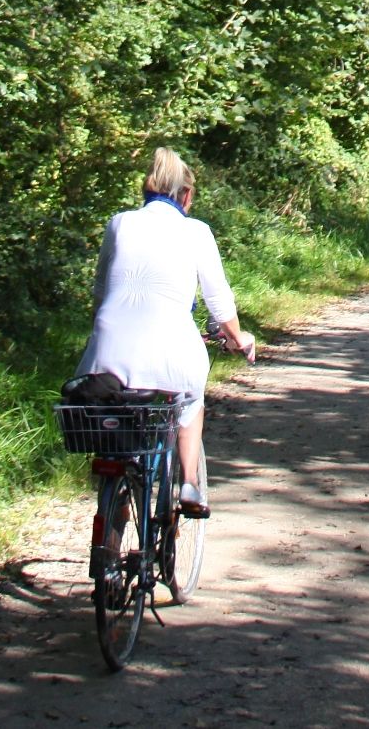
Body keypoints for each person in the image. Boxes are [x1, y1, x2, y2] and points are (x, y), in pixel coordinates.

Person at [74, 147, 254, 516]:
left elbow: (100, 289)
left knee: (113, 411)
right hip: (172, 352)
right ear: (186, 196)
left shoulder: (119, 223)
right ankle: (189, 485)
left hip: (107, 354)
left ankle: (115, 507)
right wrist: (238, 338)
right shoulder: (196, 232)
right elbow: (218, 300)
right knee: (189, 403)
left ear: (146, 190)